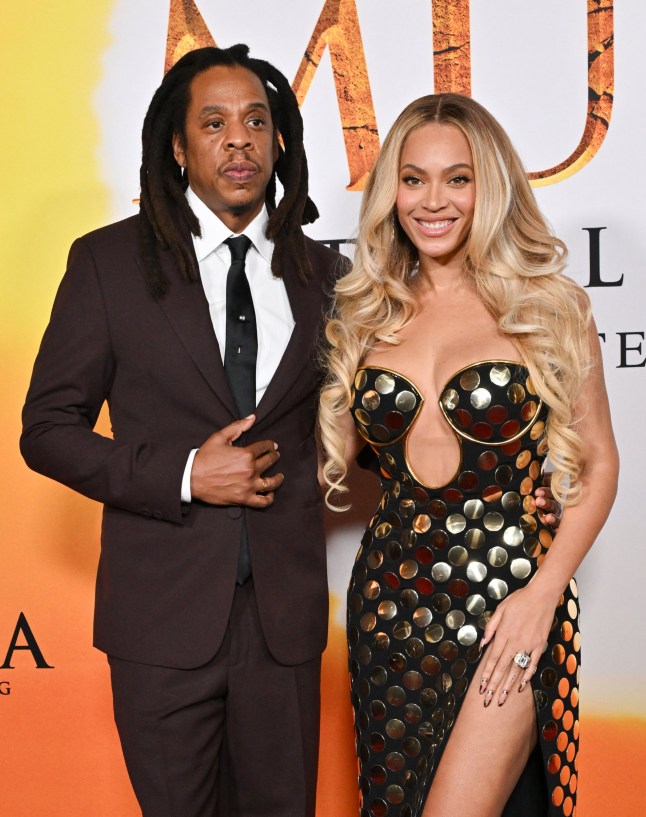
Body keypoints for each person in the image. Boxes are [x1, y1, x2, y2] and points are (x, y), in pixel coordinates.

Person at [21, 44, 344, 817]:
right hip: (160, 623)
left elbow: (363, 424)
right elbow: (46, 428)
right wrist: (184, 474)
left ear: (279, 141)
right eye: (214, 122)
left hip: (283, 628)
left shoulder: (326, 276)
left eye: (257, 121)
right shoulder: (108, 265)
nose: (239, 140)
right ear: (178, 144)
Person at [319, 93, 618, 817]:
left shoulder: (548, 303)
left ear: (490, 186)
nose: (433, 201)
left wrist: (541, 596)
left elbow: (600, 464)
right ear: (392, 190)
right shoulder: (365, 311)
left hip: (508, 599)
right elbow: (341, 454)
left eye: (458, 178)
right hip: (391, 605)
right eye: (413, 178)